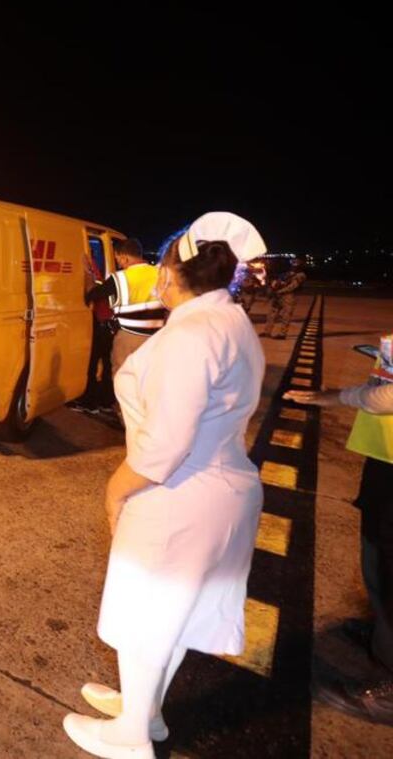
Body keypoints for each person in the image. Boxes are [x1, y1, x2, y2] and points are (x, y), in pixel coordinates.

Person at [63, 213, 269, 759]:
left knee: (145, 615)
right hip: (213, 485)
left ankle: (130, 736)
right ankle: (144, 709)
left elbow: (166, 444)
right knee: (168, 615)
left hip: (181, 491)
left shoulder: (194, 334)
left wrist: (116, 489)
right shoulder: (227, 321)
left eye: (163, 264)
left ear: (172, 275)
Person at [286, 335, 393, 724]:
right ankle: (384, 636)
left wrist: (341, 397)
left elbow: (386, 398)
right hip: (385, 459)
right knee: (377, 558)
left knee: (387, 563)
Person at [85, 239, 166, 376]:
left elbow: (92, 295)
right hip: (157, 338)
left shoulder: (121, 277)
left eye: (118, 259)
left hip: (129, 338)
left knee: (124, 378)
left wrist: (88, 275)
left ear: (125, 257)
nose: (118, 263)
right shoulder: (160, 273)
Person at [74, 254, 117, 413]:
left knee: (93, 363)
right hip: (111, 323)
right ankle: (106, 402)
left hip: (102, 322)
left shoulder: (92, 270)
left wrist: (87, 275)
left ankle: (90, 402)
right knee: (106, 364)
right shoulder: (98, 270)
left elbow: (92, 293)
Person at [264, 258, 307, 339]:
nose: (294, 265)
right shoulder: (289, 273)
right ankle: (267, 331)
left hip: (289, 296)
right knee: (271, 314)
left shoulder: (301, 275)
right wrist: (274, 286)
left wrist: (280, 291)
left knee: (286, 315)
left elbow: (292, 286)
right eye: (293, 263)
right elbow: (278, 281)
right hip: (279, 295)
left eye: (296, 264)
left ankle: (282, 334)